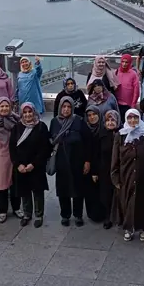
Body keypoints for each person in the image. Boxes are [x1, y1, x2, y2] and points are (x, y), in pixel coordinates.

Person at [112, 108, 144, 242]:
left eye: (135, 118)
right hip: (126, 175)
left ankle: (143, 228)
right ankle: (128, 228)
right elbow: (115, 158)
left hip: (143, 175)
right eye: (130, 118)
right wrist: (115, 178)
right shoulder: (121, 135)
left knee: (143, 202)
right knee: (127, 202)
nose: (132, 121)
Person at [49, 96, 92, 226]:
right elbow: (50, 140)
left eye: (69, 107)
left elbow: (88, 142)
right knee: (63, 189)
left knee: (78, 188)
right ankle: (65, 214)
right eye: (64, 107)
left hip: (77, 160)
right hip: (61, 160)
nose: (66, 109)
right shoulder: (54, 122)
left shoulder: (79, 121)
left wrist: (87, 161)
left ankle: (78, 215)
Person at [11, 102, 51, 227]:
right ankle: (27, 213)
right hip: (21, 166)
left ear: (34, 112)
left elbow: (45, 148)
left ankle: (39, 215)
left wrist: (34, 164)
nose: (28, 115)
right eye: (25, 112)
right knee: (24, 191)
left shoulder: (41, 127)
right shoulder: (16, 127)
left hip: (36, 166)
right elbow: (12, 148)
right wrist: (18, 164)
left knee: (38, 191)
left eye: (30, 112)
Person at [95, 109, 120, 230]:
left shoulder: (122, 134)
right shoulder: (101, 134)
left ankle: (119, 216)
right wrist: (95, 172)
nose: (110, 123)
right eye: (108, 120)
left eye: (113, 120)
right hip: (104, 170)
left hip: (119, 169)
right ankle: (108, 217)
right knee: (105, 194)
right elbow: (96, 154)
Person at [83, 107, 108, 223]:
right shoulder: (84, 129)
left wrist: (96, 171)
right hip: (87, 166)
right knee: (90, 192)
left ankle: (104, 214)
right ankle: (92, 214)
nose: (92, 117)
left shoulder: (104, 129)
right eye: (89, 115)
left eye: (94, 114)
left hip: (101, 167)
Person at [115, 54, 140, 121]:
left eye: (126, 62)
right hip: (117, 103)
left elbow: (136, 91)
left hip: (128, 104)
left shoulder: (133, 74)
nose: (124, 64)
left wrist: (133, 104)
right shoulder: (116, 72)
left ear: (130, 63)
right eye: (123, 62)